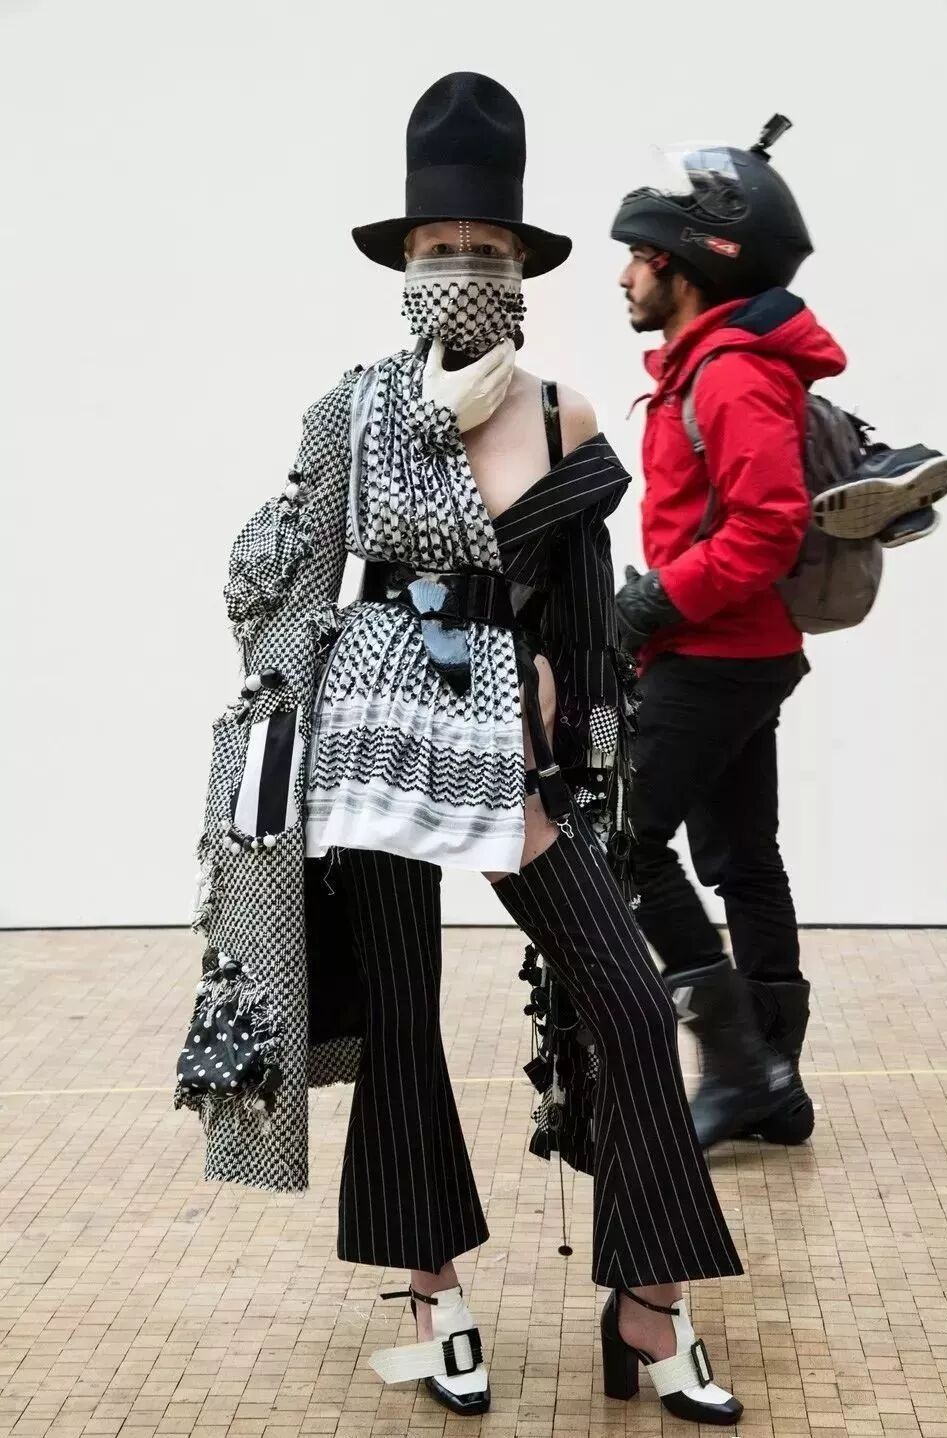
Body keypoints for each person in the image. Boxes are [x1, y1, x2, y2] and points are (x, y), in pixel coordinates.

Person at [176, 74, 744, 1425]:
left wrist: (575, 730)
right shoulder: (354, 410)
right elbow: (276, 578)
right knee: (403, 1014)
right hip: (371, 744)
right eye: (438, 249)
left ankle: (648, 1296)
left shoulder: (562, 416)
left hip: (504, 745)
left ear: (522, 267)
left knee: (624, 989)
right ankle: (433, 1291)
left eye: (484, 250)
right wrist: (278, 711)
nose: (460, 271)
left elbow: (582, 618)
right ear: (403, 262)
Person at [611, 125, 845, 1150]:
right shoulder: (705, 366)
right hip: (734, 646)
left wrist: (653, 602)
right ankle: (775, 1088)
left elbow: (766, 528)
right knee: (743, 856)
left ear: (685, 265)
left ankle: (742, 1066)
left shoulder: (732, 374)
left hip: (714, 652)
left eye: (639, 256)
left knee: (619, 839)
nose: (624, 277)